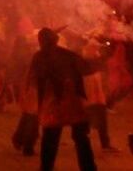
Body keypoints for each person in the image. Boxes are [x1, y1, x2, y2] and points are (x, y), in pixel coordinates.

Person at [25, 28, 95, 171]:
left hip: (54, 103)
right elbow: (87, 69)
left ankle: (46, 168)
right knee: (81, 138)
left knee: (50, 138)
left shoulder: (39, 56)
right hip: (71, 102)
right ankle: (89, 168)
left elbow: (32, 79)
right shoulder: (68, 55)